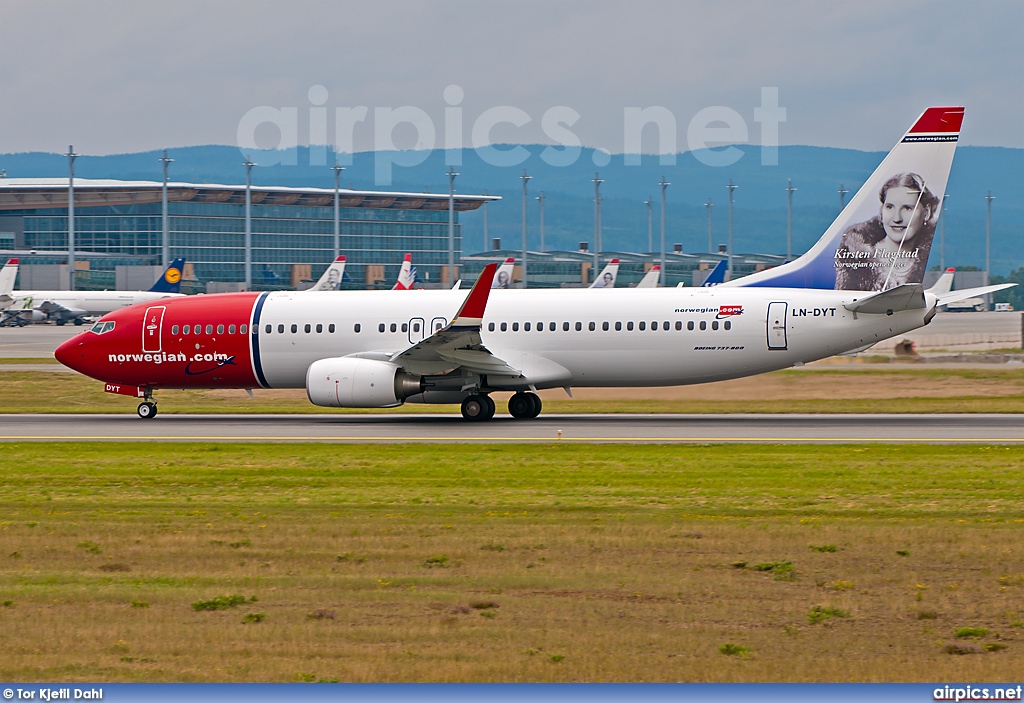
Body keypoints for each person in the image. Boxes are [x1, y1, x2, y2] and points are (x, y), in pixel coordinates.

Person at [834, 172, 939, 291]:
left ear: (926, 213)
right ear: (881, 211)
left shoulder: (922, 260)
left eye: (907, 208)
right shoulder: (855, 258)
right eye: (889, 207)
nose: (897, 218)